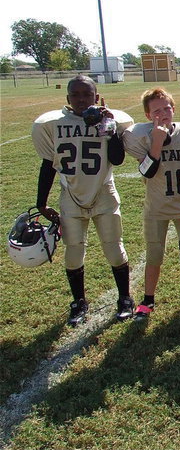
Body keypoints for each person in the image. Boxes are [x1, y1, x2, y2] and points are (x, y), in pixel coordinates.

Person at [32, 75, 135, 326]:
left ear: (96, 97)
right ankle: (79, 302)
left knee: (113, 247)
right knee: (74, 251)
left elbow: (118, 159)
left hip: (103, 191)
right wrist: (41, 202)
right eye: (75, 95)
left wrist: (108, 124)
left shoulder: (110, 120)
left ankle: (125, 298)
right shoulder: (52, 124)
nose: (81, 99)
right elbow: (49, 165)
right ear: (67, 98)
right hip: (70, 193)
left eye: (86, 94)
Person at [122, 87, 180, 320]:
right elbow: (148, 171)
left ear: (173, 109)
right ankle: (148, 300)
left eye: (167, 108)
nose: (163, 113)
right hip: (156, 207)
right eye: (156, 111)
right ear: (147, 116)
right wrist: (157, 142)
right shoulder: (140, 136)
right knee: (154, 255)